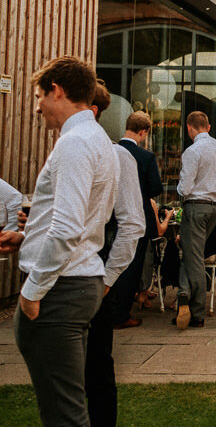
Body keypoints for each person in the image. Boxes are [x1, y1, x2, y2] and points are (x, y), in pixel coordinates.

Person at [0, 56, 133, 426]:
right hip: (75, 281)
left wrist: (31, 292)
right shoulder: (97, 140)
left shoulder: (75, 143)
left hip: (59, 288)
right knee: (66, 406)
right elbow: (81, 218)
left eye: (40, 95)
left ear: (57, 91)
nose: (37, 106)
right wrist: (26, 237)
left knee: (64, 414)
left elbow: (68, 227)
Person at [84, 83, 147, 426]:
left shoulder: (116, 155)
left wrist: (107, 280)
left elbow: (132, 224)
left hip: (92, 276)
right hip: (64, 280)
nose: (38, 107)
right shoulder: (70, 148)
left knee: (96, 370)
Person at [174, 110, 216, 330]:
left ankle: (197, 311)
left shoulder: (192, 151)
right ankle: (183, 292)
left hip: (196, 207)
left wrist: (180, 191)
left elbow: (186, 186)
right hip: (214, 209)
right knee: (192, 254)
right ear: (208, 127)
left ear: (189, 128)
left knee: (193, 258)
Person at [112, 110, 165, 328]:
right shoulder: (145, 157)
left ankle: (109, 307)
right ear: (143, 132)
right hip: (137, 217)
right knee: (132, 266)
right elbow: (155, 188)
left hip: (111, 215)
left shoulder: (111, 151)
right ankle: (122, 314)